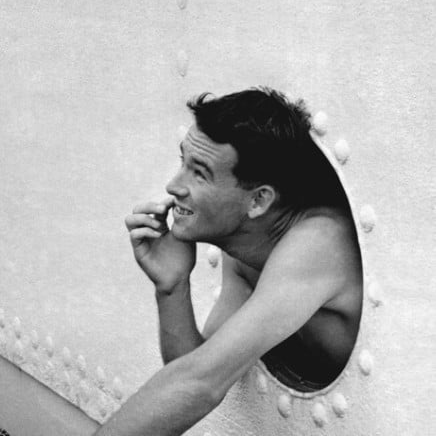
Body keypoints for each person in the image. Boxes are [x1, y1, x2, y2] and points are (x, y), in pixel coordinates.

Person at [94, 88, 362, 435]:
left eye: (200, 173)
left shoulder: (319, 243)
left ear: (258, 201)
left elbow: (202, 382)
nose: (174, 186)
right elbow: (190, 370)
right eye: (183, 163)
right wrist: (171, 286)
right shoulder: (246, 248)